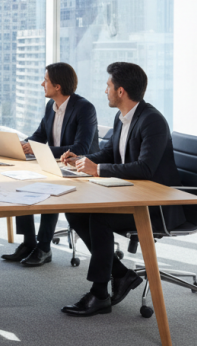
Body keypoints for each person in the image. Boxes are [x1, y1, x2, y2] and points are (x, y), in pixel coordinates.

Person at [60, 62, 182, 317]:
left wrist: (99, 170)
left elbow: (146, 168)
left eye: (108, 86)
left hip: (156, 205)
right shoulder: (123, 117)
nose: (105, 91)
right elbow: (110, 152)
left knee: (100, 218)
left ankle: (99, 293)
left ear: (121, 91)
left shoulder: (152, 121)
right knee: (75, 212)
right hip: (131, 194)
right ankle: (120, 274)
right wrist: (81, 160)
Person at [1, 62, 98, 267]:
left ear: (58, 86)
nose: (41, 84)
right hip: (54, 165)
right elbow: (40, 135)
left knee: (49, 188)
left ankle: (44, 248)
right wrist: (25, 144)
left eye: (45, 80)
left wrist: (38, 149)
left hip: (79, 169)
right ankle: (28, 243)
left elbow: (81, 147)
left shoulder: (84, 108)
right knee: (23, 183)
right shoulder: (51, 106)